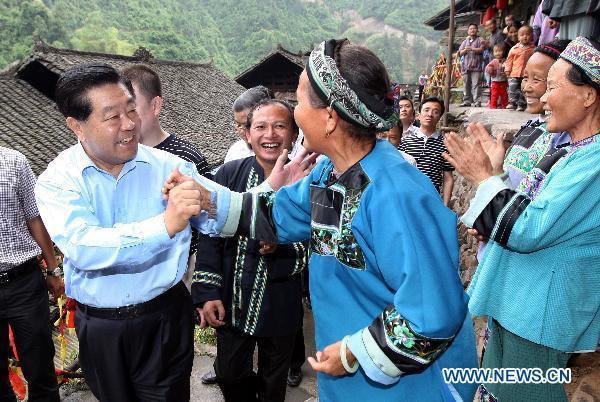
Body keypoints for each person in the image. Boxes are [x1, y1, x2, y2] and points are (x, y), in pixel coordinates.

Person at [165, 39, 478, 402]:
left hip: (406, 387)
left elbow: (432, 315)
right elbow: (277, 213)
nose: (295, 112)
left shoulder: (398, 195)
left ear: (330, 117)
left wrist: (354, 352)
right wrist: (209, 199)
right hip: (346, 376)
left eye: (299, 101)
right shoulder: (330, 172)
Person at [33, 63, 245, 402]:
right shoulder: (57, 180)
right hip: (101, 327)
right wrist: (166, 225)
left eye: (131, 109)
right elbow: (84, 246)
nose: (130, 124)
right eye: (112, 116)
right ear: (77, 126)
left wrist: (206, 201)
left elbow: (223, 215)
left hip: (164, 317)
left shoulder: (169, 166)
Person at [444, 36, 600, 402]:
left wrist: (484, 179)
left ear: (589, 96)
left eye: (552, 87)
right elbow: (526, 209)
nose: (542, 98)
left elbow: (528, 228)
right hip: (520, 304)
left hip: (540, 314)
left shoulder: (593, 161)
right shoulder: (569, 148)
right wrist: (494, 176)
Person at [193, 99, 307, 402]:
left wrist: (282, 245)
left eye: (280, 126)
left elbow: (318, 242)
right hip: (232, 300)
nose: (270, 134)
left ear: (294, 135)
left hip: (280, 301)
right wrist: (207, 292)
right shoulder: (229, 175)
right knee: (229, 374)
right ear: (247, 134)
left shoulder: (308, 181)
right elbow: (209, 235)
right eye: (260, 126)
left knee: (273, 382)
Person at [121, 64, 211, 291]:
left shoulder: (185, 158)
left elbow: (211, 216)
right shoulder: (116, 157)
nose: (126, 120)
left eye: (132, 108)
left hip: (178, 273)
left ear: (155, 105)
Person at [0, 147, 63, 402]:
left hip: (23, 282)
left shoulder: (14, 161)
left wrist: (52, 269)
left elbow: (35, 217)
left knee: (39, 366)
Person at [400, 97, 455, 206]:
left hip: (432, 200)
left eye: (435, 112)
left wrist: (445, 206)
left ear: (439, 117)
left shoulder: (445, 145)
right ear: (419, 115)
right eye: (426, 110)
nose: (430, 114)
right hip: (406, 198)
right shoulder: (405, 141)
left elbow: (448, 178)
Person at [224, 86, 273, 163]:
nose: (241, 130)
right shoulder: (235, 153)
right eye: (238, 124)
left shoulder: (292, 155)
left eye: (247, 125)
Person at [505, 25, 535, 111]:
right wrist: (507, 69)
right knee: (512, 87)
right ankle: (512, 102)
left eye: (527, 34)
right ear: (518, 37)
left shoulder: (533, 49)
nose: (525, 36)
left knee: (523, 89)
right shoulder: (514, 49)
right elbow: (509, 60)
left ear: (531, 36)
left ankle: (521, 104)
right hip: (514, 73)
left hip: (526, 74)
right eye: (522, 35)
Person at [459, 23, 484, 107]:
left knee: (476, 84)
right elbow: (459, 53)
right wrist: (465, 50)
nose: (472, 30)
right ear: (468, 31)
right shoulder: (465, 42)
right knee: (466, 84)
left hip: (476, 66)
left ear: (477, 30)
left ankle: (477, 101)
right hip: (465, 67)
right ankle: (467, 101)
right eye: (470, 29)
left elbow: (482, 49)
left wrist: (472, 49)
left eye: (474, 28)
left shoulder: (480, 39)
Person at [485, 43, 509, 109]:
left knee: (504, 94)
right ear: (493, 53)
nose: (498, 53)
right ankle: (493, 105)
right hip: (495, 81)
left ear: (503, 52)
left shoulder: (505, 61)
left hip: (503, 81)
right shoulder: (493, 61)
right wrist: (490, 70)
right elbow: (487, 68)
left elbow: (508, 67)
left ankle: (505, 105)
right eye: (496, 51)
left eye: (500, 51)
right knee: (494, 94)